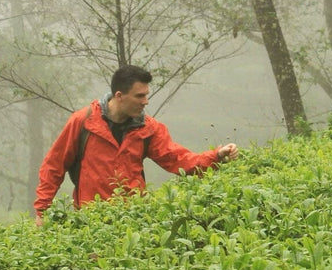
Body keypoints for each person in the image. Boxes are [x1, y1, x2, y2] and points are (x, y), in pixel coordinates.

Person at [34, 64, 238, 224]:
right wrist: (42, 212)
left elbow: (177, 159)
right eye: (140, 96)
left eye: (146, 95)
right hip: (90, 222)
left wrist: (216, 156)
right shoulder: (83, 122)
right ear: (119, 96)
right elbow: (54, 166)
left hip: (135, 219)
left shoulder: (149, 128)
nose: (145, 101)